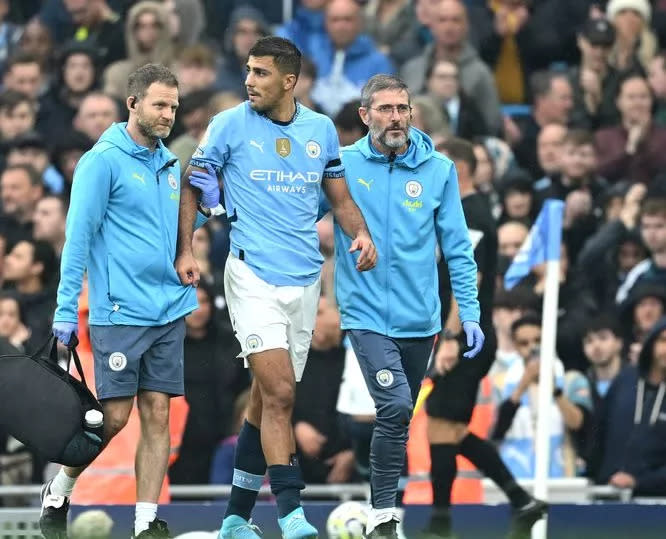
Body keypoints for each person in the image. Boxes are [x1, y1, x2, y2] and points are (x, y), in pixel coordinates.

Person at [175, 36, 376, 539]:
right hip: (251, 275)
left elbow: (339, 195)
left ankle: (235, 519)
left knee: (266, 401)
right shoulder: (228, 125)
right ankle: (291, 512)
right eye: (247, 70)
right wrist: (185, 247)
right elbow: (194, 185)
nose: (249, 81)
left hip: (305, 279)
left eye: (261, 73)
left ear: (289, 81)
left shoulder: (320, 130)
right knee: (282, 393)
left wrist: (362, 234)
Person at [43, 64, 211, 539]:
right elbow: (77, 239)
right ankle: (60, 489)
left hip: (168, 308)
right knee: (114, 418)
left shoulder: (169, 164)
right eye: (160, 104)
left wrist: (197, 230)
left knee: (159, 414)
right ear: (132, 103)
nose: (168, 115)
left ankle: (144, 522)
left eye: (174, 107)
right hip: (120, 311)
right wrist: (64, 309)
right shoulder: (101, 161)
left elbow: (163, 231)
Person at [326, 76, 478, 536]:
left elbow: (457, 247)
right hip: (365, 314)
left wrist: (468, 312)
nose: (396, 117)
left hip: (422, 320)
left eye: (402, 108)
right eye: (386, 108)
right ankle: (384, 516)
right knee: (393, 407)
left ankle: (387, 512)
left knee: (400, 417)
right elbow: (296, 215)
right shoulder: (342, 166)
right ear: (365, 115)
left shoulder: (439, 170)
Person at [424, 136, 546, 537]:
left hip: (468, 336)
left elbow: (469, 278)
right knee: (443, 428)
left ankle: (446, 522)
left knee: (444, 427)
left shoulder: (472, 213)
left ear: (456, 167)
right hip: (461, 334)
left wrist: (454, 337)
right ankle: (517, 502)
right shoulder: (459, 210)